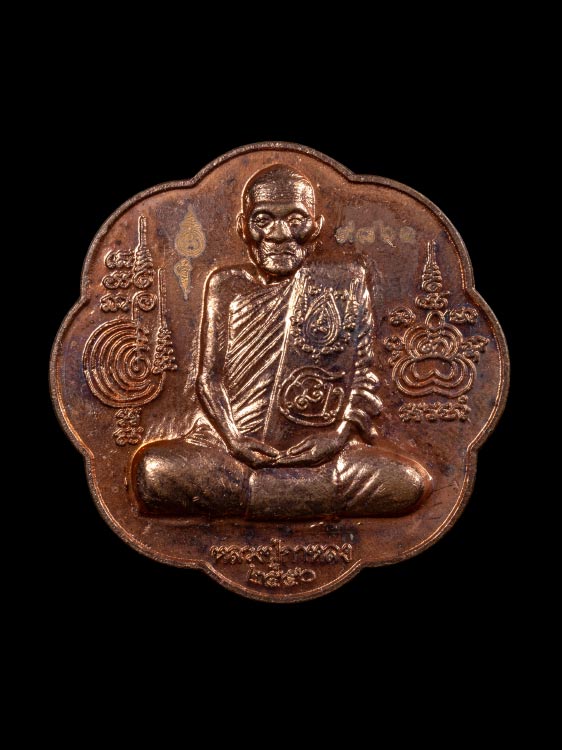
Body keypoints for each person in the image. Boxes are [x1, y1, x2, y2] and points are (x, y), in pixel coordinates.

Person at [132, 165, 430, 518]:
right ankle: (298, 497)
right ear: (244, 227)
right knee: (153, 472)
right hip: (229, 452)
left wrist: (336, 438)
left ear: (315, 227)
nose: (279, 234)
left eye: (296, 220)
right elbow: (208, 379)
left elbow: (362, 376)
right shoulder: (226, 285)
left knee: (407, 481)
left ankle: (257, 496)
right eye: (263, 220)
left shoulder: (345, 283)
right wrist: (234, 441)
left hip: (324, 456)